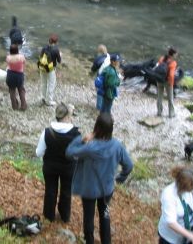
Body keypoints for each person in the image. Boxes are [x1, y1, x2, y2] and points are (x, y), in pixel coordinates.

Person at [66, 113, 133, 244]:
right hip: (107, 189)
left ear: (96, 127)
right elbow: (129, 165)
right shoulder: (117, 146)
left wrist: (81, 139)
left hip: (89, 189)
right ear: (111, 129)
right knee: (105, 216)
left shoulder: (90, 147)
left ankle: (89, 241)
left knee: (88, 218)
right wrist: (119, 179)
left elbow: (69, 152)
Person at [36, 103, 80, 222]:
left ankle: (48, 216)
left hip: (50, 167)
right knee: (66, 191)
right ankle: (65, 216)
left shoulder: (47, 132)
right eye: (70, 115)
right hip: (68, 168)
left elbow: (38, 153)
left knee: (50, 190)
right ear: (66, 117)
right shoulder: (76, 134)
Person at [38, 34, 62, 106]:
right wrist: (60, 55)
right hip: (50, 69)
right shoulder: (56, 50)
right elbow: (59, 61)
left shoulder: (44, 48)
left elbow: (41, 56)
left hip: (42, 68)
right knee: (51, 84)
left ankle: (43, 97)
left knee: (43, 83)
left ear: (49, 41)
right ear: (56, 42)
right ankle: (49, 101)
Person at [157, 47, 178, 118]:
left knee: (159, 97)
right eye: (176, 54)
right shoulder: (173, 63)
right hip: (167, 82)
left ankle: (159, 112)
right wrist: (171, 83)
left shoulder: (161, 58)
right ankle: (171, 114)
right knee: (170, 99)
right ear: (173, 54)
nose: (177, 55)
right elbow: (171, 75)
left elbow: (158, 67)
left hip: (159, 80)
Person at [6, 44, 27, 110]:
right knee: (21, 90)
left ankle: (14, 106)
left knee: (12, 91)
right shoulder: (21, 57)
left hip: (10, 74)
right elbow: (24, 63)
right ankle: (23, 106)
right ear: (17, 50)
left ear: (10, 50)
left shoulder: (8, 57)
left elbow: (8, 64)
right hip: (19, 75)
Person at [91, 44, 110, 111]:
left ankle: (99, 108)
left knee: (100, 91)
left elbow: (93, 69)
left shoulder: (98, 59)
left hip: (102, 77)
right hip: (110, 77)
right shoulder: (109, 56)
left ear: (99, 51)